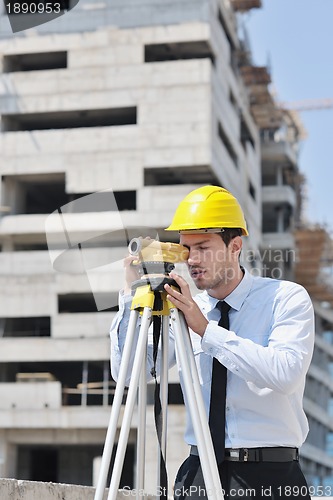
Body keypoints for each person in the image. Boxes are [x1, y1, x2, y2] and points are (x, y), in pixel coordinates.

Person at [110, 185, 314, 500]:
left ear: (235, 246)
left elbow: (285, 373)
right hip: (199, 474)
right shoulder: (187, 308)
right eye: (186, 248)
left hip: (270, 476)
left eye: (203, 247)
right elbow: (132, 371)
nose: (192, 259)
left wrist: (207, 331)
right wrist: (130, 298)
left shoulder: (285, 298)